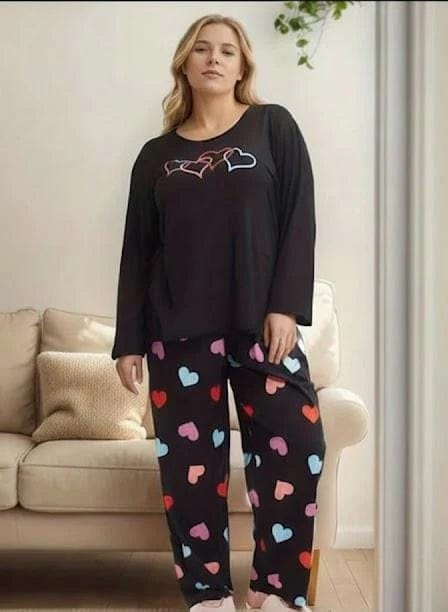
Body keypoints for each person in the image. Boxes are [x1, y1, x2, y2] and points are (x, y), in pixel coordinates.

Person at [111, 13, 326, 612]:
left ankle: (275, 589)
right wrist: (129, 340)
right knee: (191, 468)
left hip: (261, 326)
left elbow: (299, 219)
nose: (213, 58)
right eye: (202, 49)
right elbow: (137, 252)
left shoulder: (273, 127)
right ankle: (207, 593)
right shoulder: (156, 157)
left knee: (297, 443)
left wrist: (285, 305)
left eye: (227, 51)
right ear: (184, 64)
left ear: (241, 68)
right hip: (176, 332)